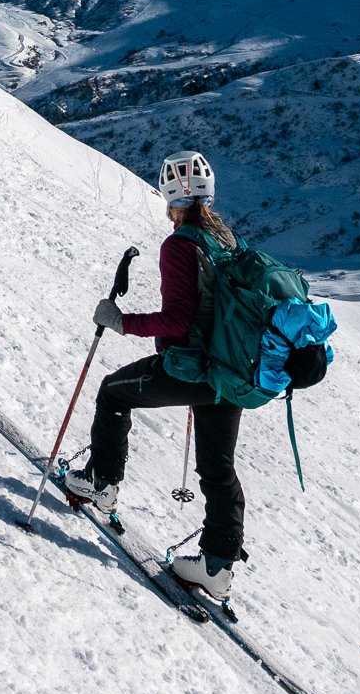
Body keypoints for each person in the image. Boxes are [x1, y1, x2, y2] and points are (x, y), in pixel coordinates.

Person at [64, 149, 248, 599]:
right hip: (231, 374)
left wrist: (120, 321)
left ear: (170, 197)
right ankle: (217, 567)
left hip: (192, 369)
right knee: (218, 468)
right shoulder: (226, 241)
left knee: (113, 393)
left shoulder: (181, 244)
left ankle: (102, 483)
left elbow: (177, 320)